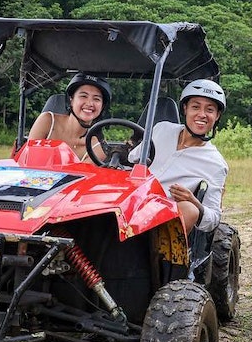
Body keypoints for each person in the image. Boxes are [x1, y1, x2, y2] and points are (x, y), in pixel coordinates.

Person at [131, 79, 228, 234]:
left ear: (217, 116)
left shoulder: (215, 163)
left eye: (209, 110)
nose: (202, 115)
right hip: (132, 201)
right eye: (195, 107)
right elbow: (131, 159)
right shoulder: (161, 129)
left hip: (162, 220)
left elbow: (214, 218)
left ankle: (161, 258)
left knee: (190, 209)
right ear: (185, 108)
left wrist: (194, 201)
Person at [27, 73, 111, 162]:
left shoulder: (97, 148)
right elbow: (28, 160)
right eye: (83, 96)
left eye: (96, 99)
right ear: (71, 100)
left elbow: (82, 175)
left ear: (102, 107)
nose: (90, 103)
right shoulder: (47, 121)